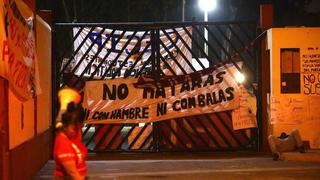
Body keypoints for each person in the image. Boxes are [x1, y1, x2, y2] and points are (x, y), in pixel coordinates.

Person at [54, 102, 87, 179]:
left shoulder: (71, 139)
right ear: (65, 126)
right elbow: (72, 172)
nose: (78, 131)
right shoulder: (63, 144)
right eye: (74, 128)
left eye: (80, 128)